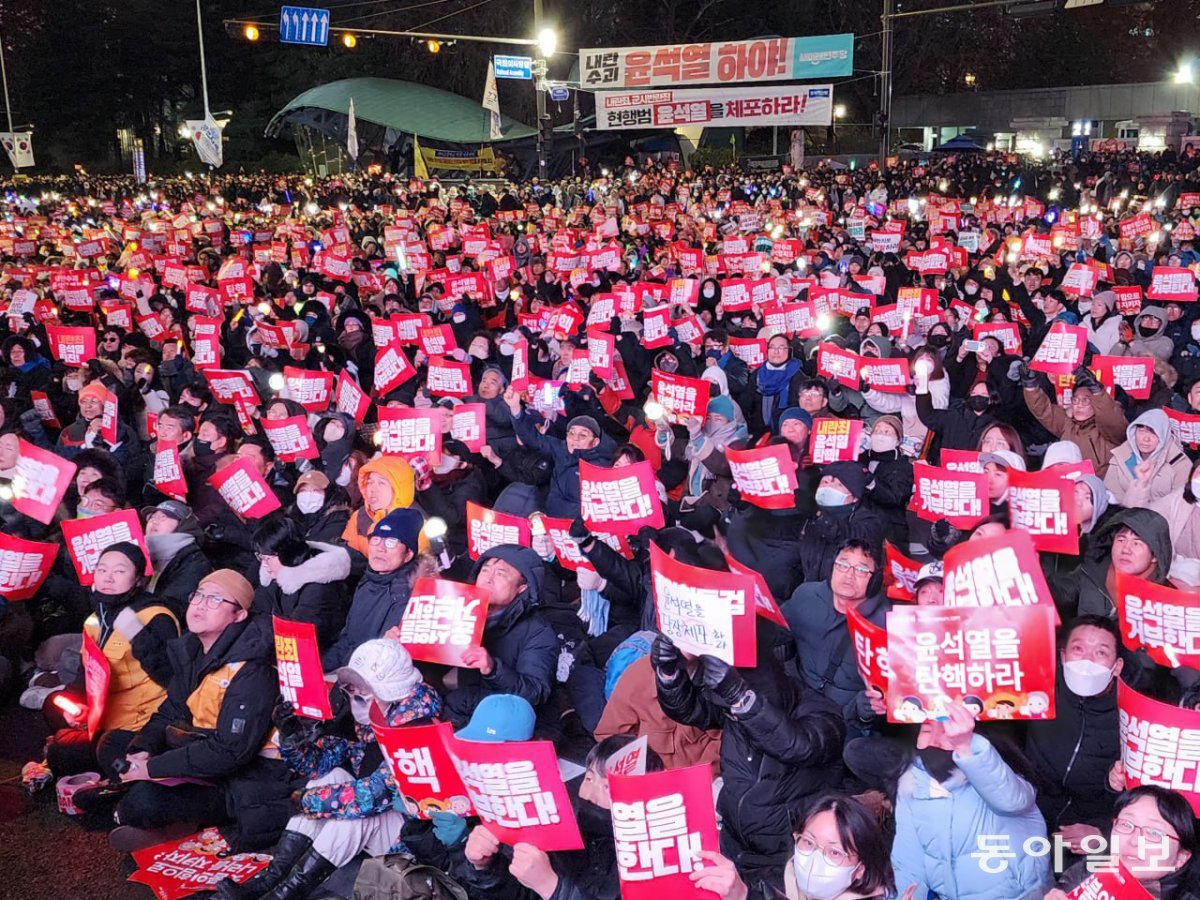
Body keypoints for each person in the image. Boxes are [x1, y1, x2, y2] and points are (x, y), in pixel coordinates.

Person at [215, 638, 441, 900]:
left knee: (358, 814)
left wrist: (305, 801)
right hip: (387, 826)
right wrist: (291, 735)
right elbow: (317, 765)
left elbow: (371, 796)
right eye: (351, 688)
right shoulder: (378, 721)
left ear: (390, 690)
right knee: (330, 776)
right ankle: (269, 880)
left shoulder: (418, 730)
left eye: (362, 689)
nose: (353, 694)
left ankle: (283, 895)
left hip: (414, 843)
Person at [652, 621, 845, 893]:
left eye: (742, 702)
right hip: (733, 839)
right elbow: (692, 710)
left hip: (786, 856)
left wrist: (743, 700)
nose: (735, 711)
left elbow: (796, 745)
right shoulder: (735, 709)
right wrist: (669, 676)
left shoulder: (825, 715)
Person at [112, 570, 294, 852]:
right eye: (198, 595)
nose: (199, 604)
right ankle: (148, 810)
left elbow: (231, 752)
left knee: (142, 802)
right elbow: (170, 711)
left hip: (248, 778)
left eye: (214, 599)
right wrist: (143, 750)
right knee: (114, 746)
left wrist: (151, 769)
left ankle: (166, 820)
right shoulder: (194, 649)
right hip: (201, 747)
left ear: (239, 615)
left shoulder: (253, 668)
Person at [890, 703, 1052, 899]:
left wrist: (967, 748)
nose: (935, 736)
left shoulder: (994, 771)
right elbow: (908, 860)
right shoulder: (911, 785)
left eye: (946, 729)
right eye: (926, 729)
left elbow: (1013, 801)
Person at [44, 543, 179, 778]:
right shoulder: (97, 618)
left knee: (88, 751)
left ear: (138, 579)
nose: (108, 578)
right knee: (53, 705)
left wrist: (138, 636)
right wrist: (77, 705)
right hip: (105, 714)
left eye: (119, 571)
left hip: (142, 721)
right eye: (102, 569)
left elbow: (171, 677)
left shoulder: (156, 616)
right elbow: (86, 673)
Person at [1024, 616, 1123, 846]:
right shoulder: (1037, 688)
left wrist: (1104, 831)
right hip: (1027, 814)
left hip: (1084, 831)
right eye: (1078, 649)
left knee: (1064, 875)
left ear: (1117, 666)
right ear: (1062, 655)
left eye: (1100, 653)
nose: (1087, 660)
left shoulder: (1132, 712)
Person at [693, 793, 896, 900]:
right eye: (808, 842)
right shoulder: (781, 884)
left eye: (834, 852)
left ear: (860, 869)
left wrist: (744, 896)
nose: (815, 858)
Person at [441, 545, 558, 726]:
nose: (488, 579)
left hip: (503, 723)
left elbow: (536, 693)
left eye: (500, 574)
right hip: (457, 710)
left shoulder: (538, 631)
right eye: (485, 570)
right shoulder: (457, 611)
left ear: (522, 588)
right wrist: (405, 643)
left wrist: (494, 669)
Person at [783, 540, 890, 727]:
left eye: (861, 570)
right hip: (797, 701)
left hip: (845, 720)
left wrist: (864, 710)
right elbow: (778, 632)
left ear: (875, 580)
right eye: (843, 564)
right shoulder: (805, 596)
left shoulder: (887, 624)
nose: (849, 575)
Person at [323, 507, 430, 670]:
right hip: (351, 670)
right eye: (376, 539)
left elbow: (387, 659)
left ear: (408, 554)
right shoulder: (367, 582)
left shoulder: (411, 595)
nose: (381, 548)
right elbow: (347, 641)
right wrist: (317, 668)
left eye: (391, 542)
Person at [1047, 786, 1198, 899]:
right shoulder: (1090, 869)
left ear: (1181, 858)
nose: (1134, 840)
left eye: (1154, 833)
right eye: (1126, 824)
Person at [252, 517, 352, 651]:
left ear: (289, 554)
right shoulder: (271, 575)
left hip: (316, 657)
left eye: (268, 558)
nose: (264, 564)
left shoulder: (319, 587)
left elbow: (297, 636)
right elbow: (258, 614)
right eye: (261, 557)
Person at [1020, 363, 1128, 478]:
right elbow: (1043, 410)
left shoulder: (1110, 431)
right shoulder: (1067, 423)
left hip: (1102, 489)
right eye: (1075, 400)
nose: (1079, 405)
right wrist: (1030, 386)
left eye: (1086, 400)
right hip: (1069, 485)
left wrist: (1097, 391)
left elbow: (1111, 418)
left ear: (1097, 404)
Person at [1105, 408, 1191, 506]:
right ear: (1133, 433)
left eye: (1153, 433)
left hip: (1163, 519)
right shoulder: (1120, 457)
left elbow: (1180, 505)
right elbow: (1111, 496)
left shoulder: (1180, 463)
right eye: (1141, 431)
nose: (1146, 439)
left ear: (1164, 435)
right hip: (1125, 517)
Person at [341, 455, 416, 559]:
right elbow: (348, 556)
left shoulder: (417, 523)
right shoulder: (359, 516)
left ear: (399, 490)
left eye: (381, 483)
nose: (372, 489)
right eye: (369, 482)